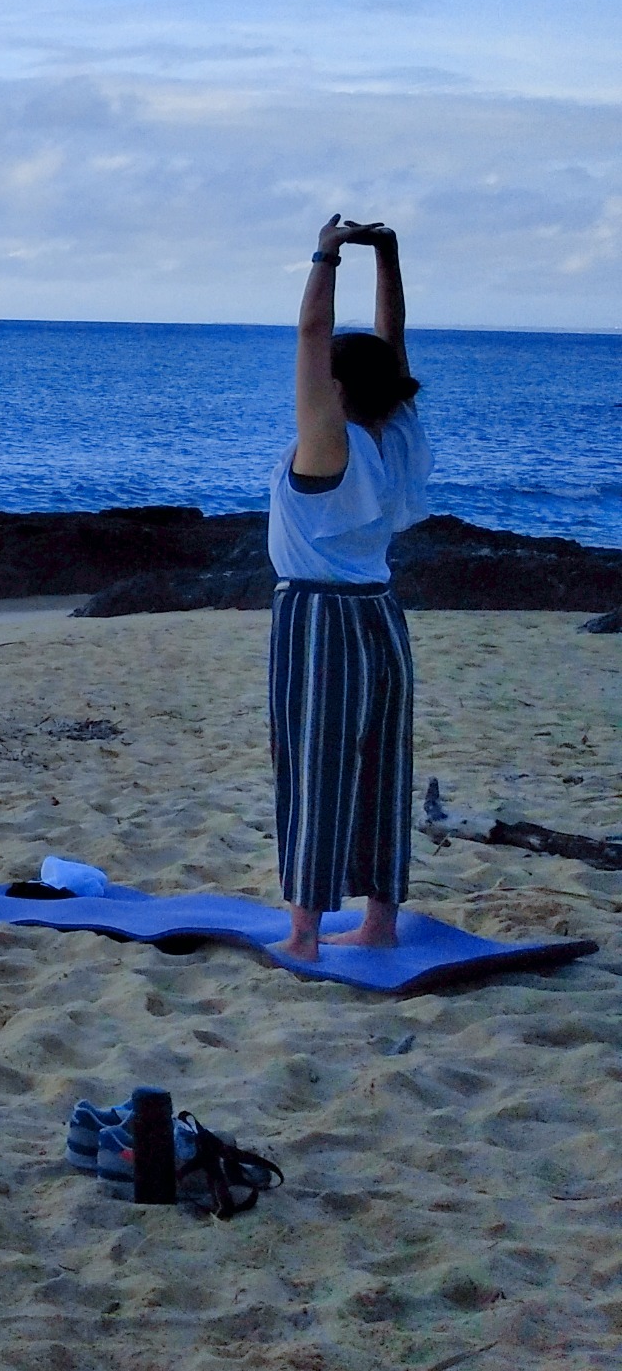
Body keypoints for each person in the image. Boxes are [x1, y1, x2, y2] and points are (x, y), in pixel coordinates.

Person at [269, 215, 428, 963]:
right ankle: (380, 921)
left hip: (319, 619)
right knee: (381, 766)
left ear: (334, 386)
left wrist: (326, 254)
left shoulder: (329, 445)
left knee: (316, 766)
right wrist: (388, 259)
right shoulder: (397, 435)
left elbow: (310, 334)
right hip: (381, 617)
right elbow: (392, 351)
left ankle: (303, 934)